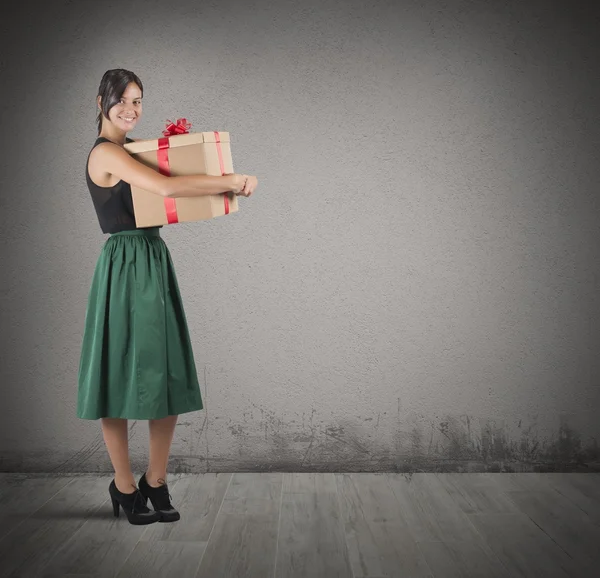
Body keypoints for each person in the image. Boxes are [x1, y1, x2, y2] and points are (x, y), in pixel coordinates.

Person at [77, 68, 258, 525]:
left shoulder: (131, 151)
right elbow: (166, 188)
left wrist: (215, 180)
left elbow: (169, 192)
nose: (131, 109)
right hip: (123, 263)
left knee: (167, 371)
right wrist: (230, 181)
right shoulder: (106, 154)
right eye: (122, 99)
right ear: (100, 101)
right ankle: (123, 485)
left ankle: (155, 480)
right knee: (117, 376)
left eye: (138, 101)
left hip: (152, 258)